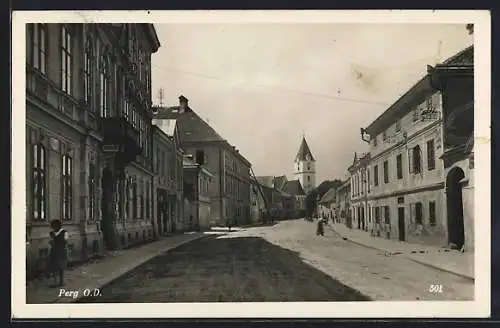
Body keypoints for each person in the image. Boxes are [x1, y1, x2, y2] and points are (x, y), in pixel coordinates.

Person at [48, 220, 69, 287]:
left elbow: (65, 242)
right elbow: (51, 242)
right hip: (54, 251)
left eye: (54, 227)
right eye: (52, 227)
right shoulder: (52, 233)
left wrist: (55, 238)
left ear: (58, 226)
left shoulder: (65, 232)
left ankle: (61, 282)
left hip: (61, 251)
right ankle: (55, 282)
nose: (53, 228)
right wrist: (52, 242)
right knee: (54, 267)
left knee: (61, 267)